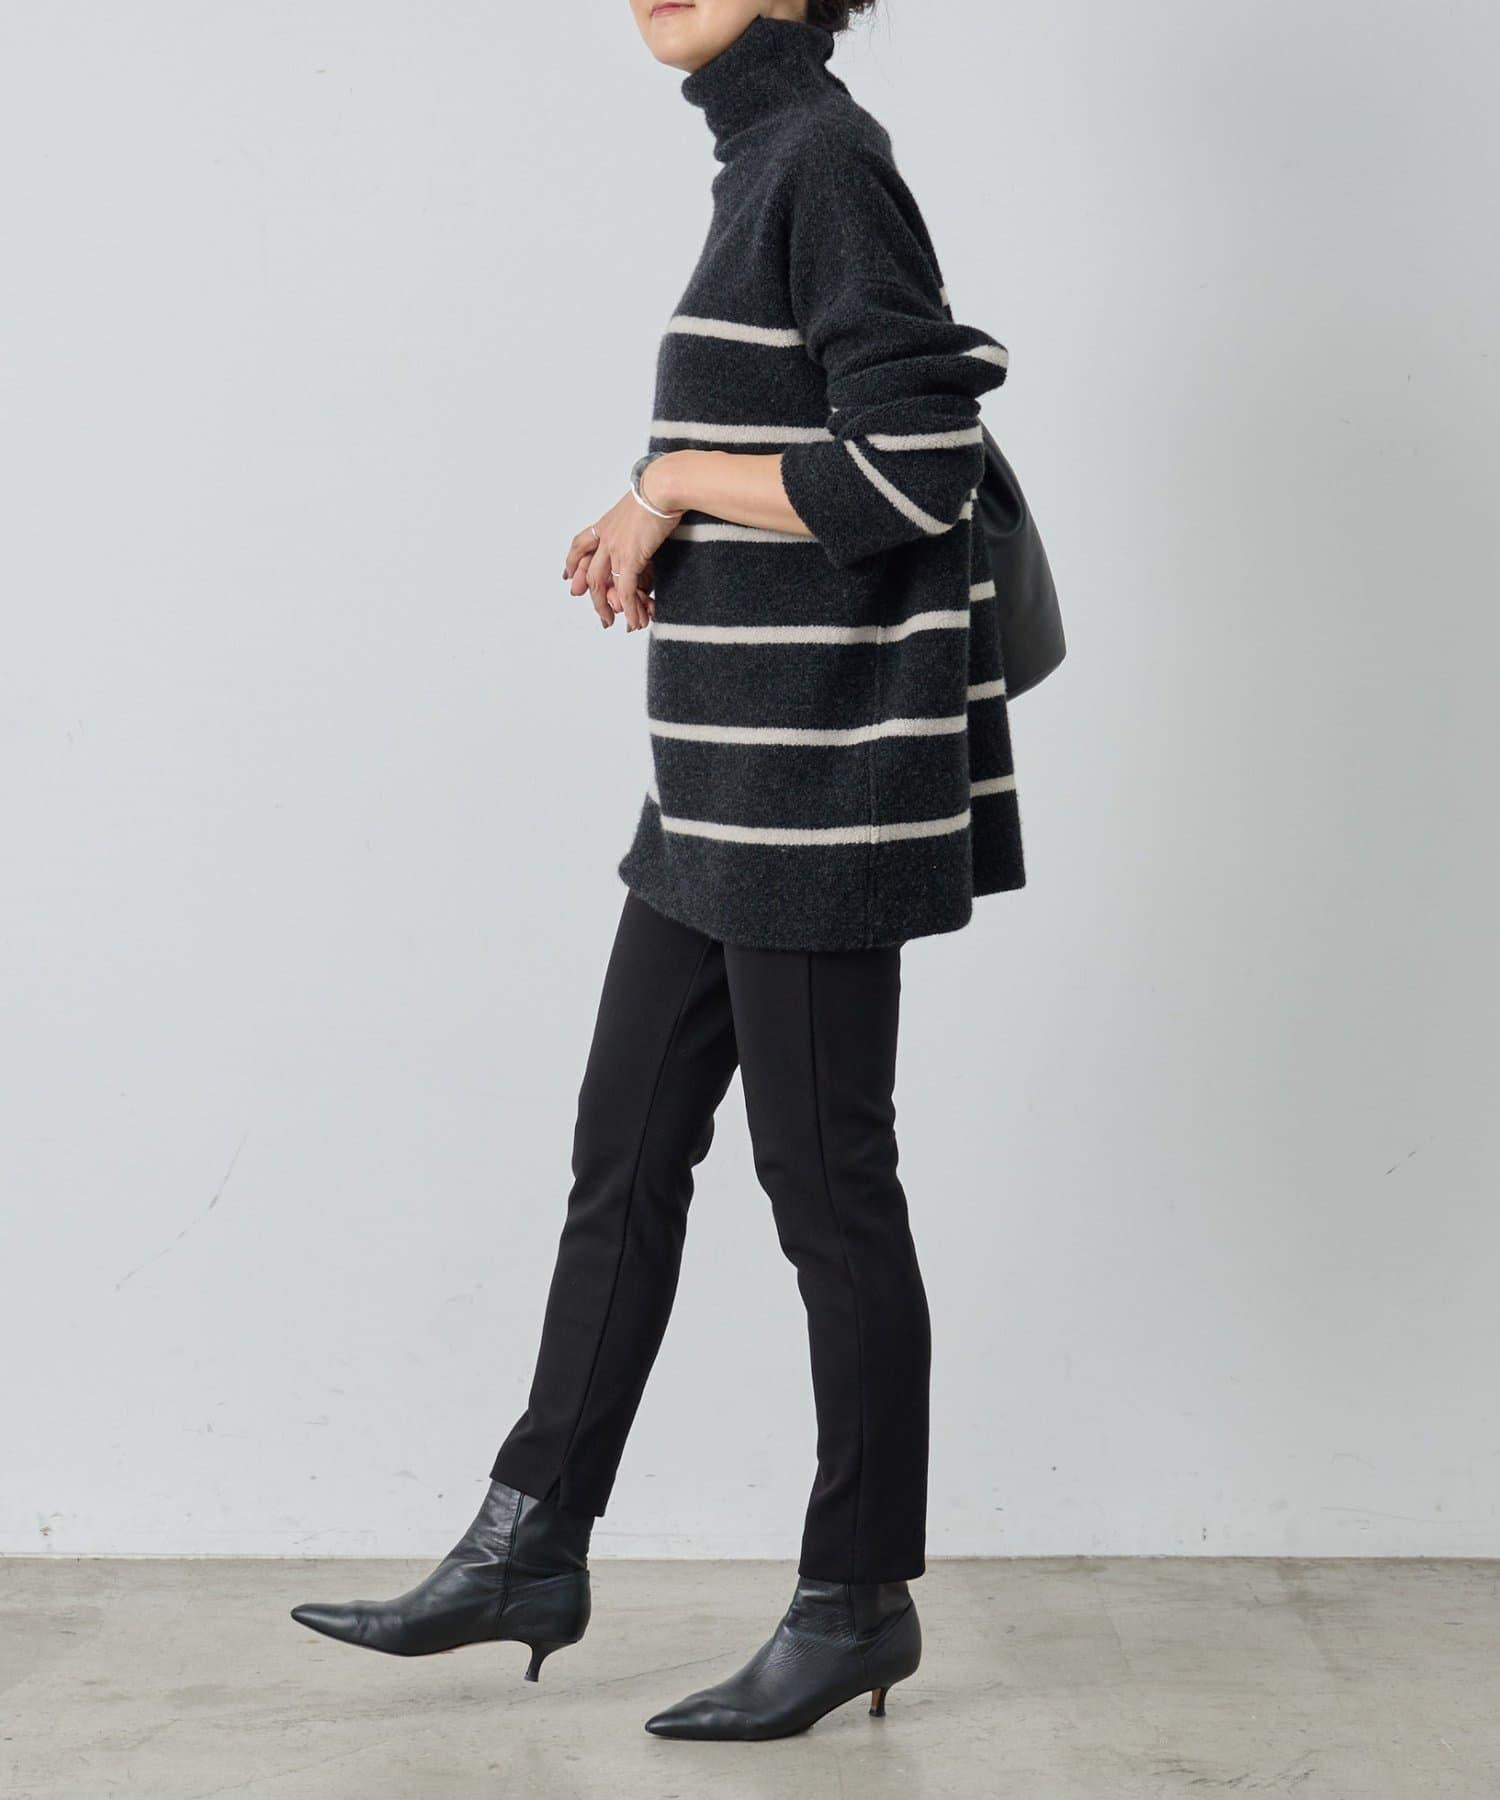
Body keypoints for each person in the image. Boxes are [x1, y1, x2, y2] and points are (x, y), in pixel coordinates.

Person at [290, 0, 1025, 1743]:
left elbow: (916, 467)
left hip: (815, 800)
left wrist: (671, 478)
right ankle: (529, 1541)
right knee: (621, 1160)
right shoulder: (762, 158)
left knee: (827, 1190)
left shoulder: (825, 159)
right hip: (713, 794)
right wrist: (665, 500)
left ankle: (856, 1599)